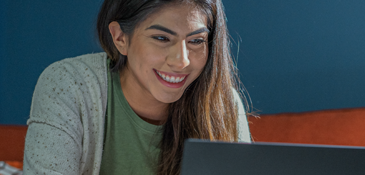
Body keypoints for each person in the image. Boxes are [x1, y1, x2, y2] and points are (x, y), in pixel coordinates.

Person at [23, 0, 251, 174]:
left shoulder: (223, 103)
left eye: (196, 41)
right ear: (120, 37)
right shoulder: (69, 84)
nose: (182, 61)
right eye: (161, 38)